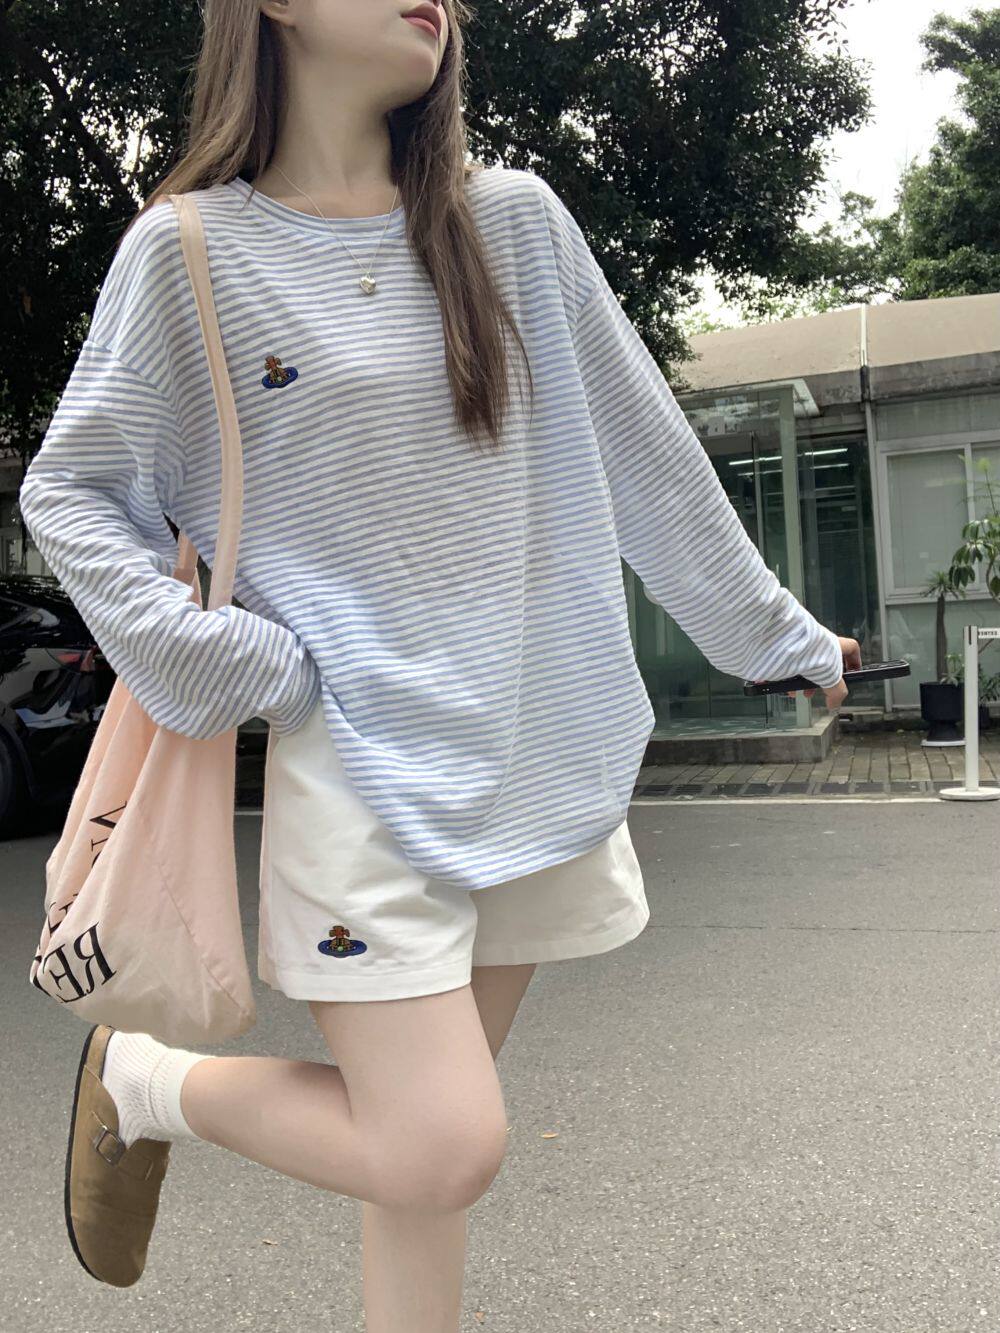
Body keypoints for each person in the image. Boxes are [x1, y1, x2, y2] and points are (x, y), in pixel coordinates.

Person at [19, 0, 860, 1327]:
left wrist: (775, 634)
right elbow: (72, 493)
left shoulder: (511, 224)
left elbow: (644, 455)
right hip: (361, 770)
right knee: (436, 1143)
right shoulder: (188, 254)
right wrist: (242, 662)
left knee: (419, 1181)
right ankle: (144, 1080)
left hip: (541, 751)